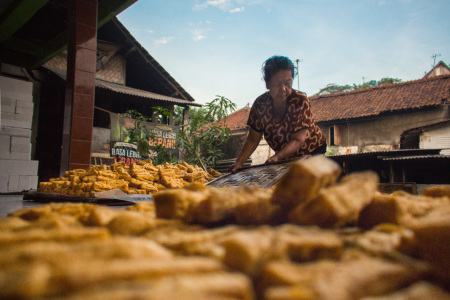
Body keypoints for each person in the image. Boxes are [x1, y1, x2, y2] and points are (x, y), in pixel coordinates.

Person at [229, 55, 326, 172]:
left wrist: (277, 157)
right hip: (286, 155)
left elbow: (298, 140)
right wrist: (239, 163)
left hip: (312, 150)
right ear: (267, 84)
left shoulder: (300, 100)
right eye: (277, 84)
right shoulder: (260, 104)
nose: (283, 89)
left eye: (287, 83)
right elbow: (253, 140)